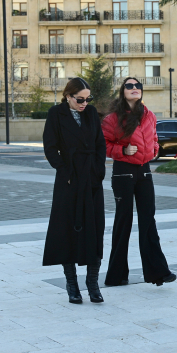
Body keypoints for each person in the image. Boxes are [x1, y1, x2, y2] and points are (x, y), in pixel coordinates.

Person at [101, 77, 176, 287]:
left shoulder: (149, 115)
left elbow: (153, 138)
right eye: (129, 86)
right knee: (123, 221)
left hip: (144, 171)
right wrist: (122, 150)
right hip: (123, 171)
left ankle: (158, 273)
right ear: (122, 91)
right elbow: (104, 144)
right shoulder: (112, 119)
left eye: (137, 86)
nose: (134, 89)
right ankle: (116, 276)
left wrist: (154, 150)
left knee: (148, 220)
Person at [42, 77, 107, 304]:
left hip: (91, 179)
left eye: (88, 99)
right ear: (68, 96)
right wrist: (65, 171)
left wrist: (99, 171)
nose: (84, 103)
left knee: (95, 230)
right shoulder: (55, 114)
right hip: (68, 180)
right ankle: (72, 285)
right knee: (66, 232)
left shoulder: (91, 113)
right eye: (80, 99)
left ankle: (93, 284)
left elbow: (100, 144)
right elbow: (50, 147)